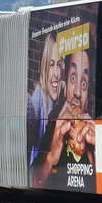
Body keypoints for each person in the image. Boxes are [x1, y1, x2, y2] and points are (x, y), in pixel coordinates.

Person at [32, 49, 96, 189]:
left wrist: (95, 154)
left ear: (88, 97)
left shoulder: (95, 133)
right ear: (65, 86)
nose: (78, 93)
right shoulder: (54, 121)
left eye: (84, 83)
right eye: (73, 78)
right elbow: (35, 180)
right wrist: (50, 158)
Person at [26, 33, 63, 164]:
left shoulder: (63, 97)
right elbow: (31, 119)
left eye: (59, 65)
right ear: (44, 68)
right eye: (51, 65)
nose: (56, 74)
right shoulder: (38, 96)